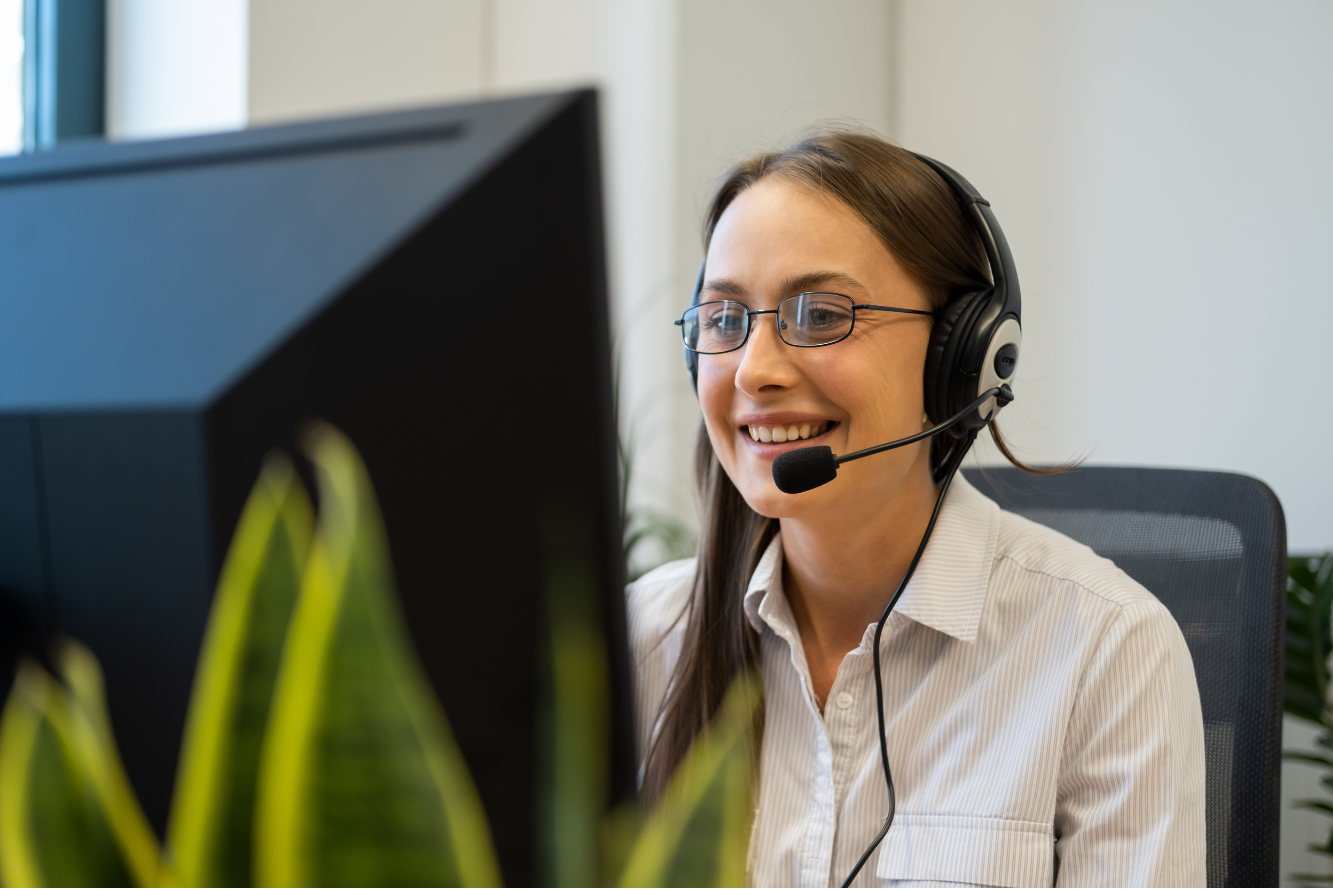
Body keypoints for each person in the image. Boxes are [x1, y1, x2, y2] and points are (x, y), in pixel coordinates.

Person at [627, 131, 1205, 888]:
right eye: (724, 320)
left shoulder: (1105, 652)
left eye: (821, 314)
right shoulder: (645, 643)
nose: (755, 372)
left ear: (961, 355)